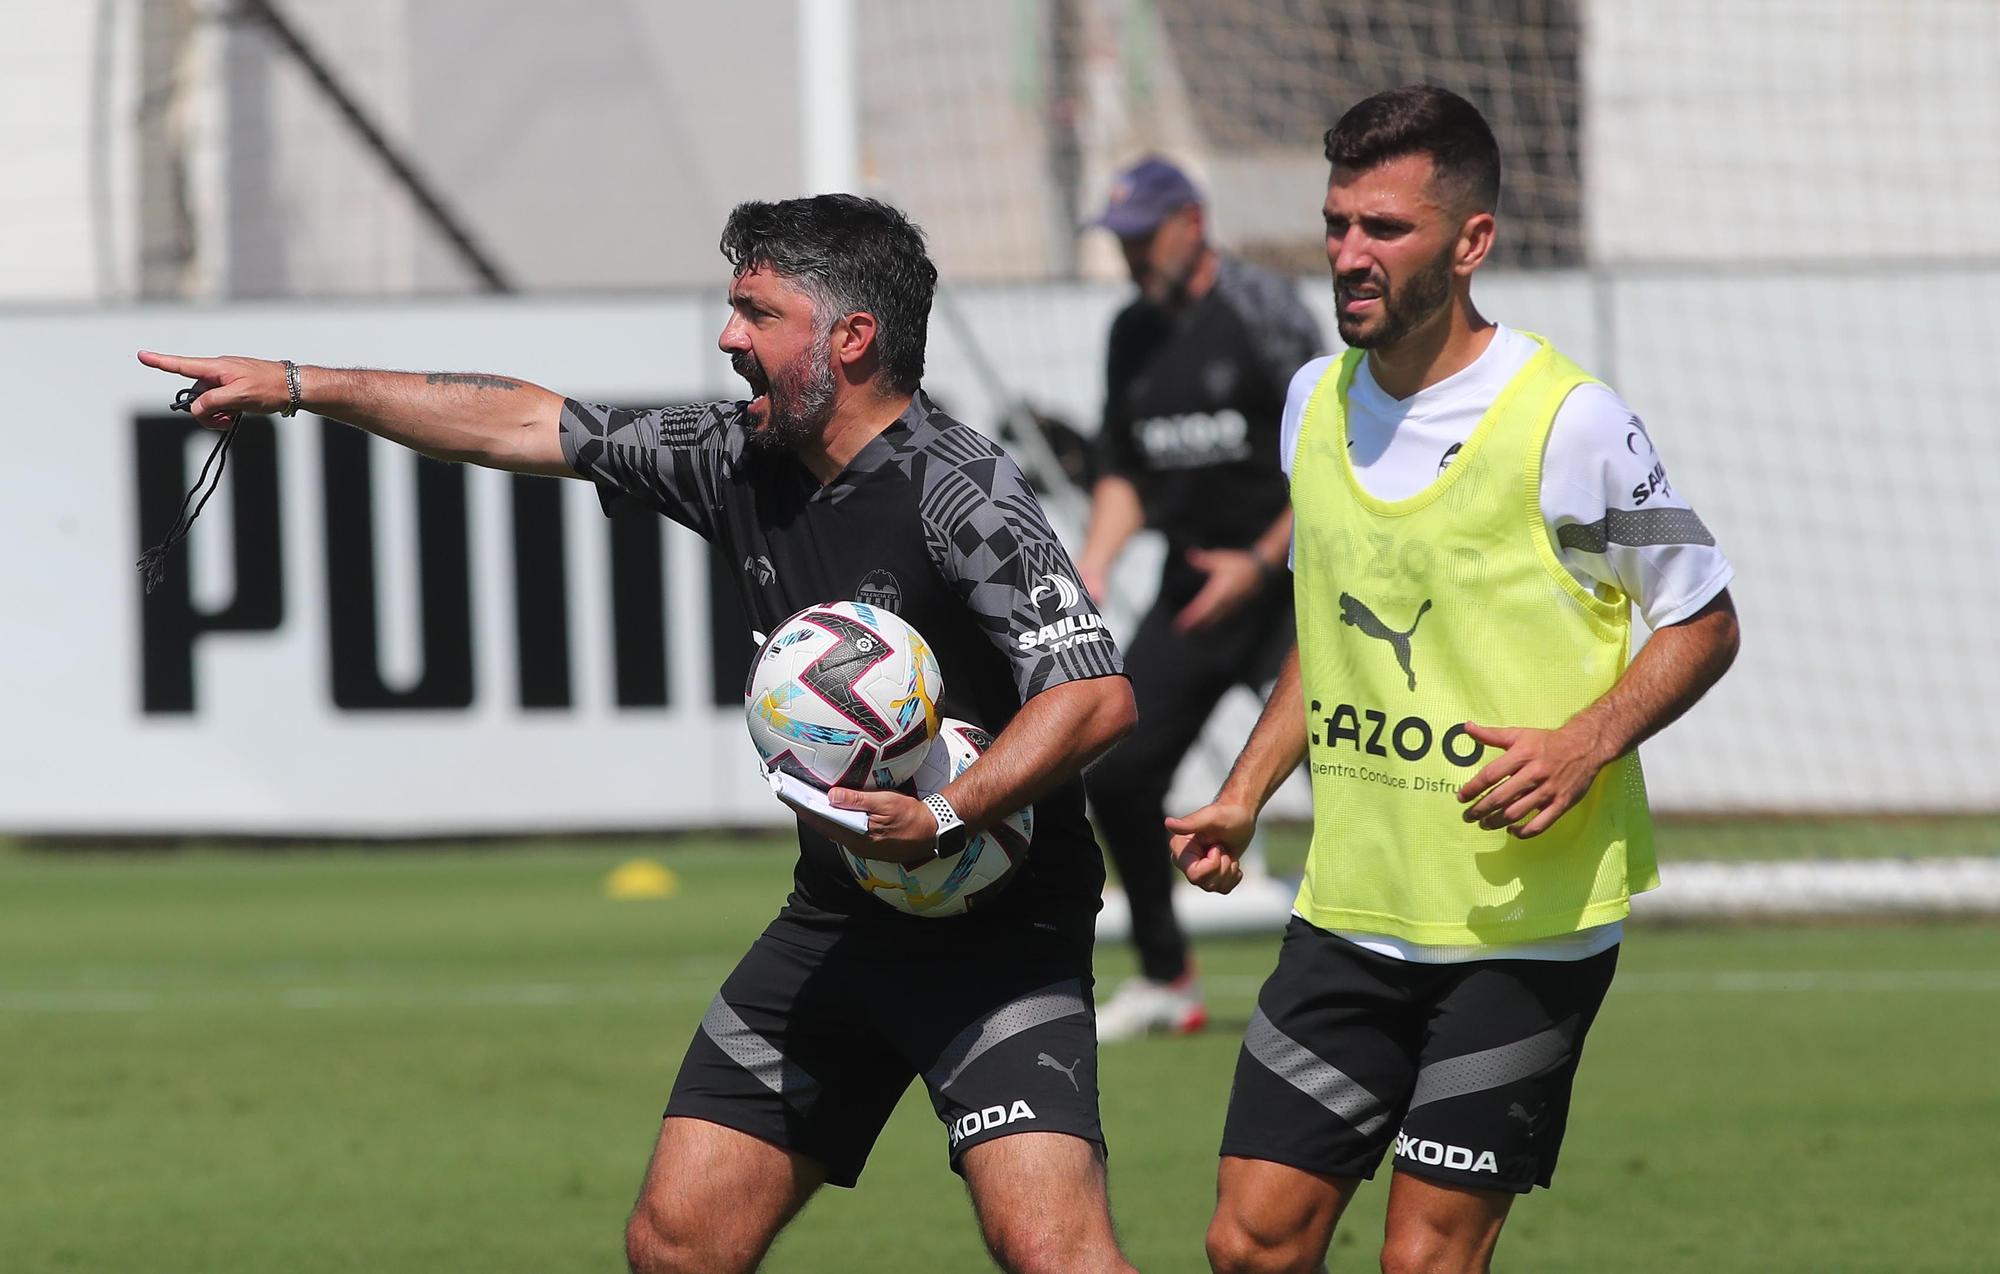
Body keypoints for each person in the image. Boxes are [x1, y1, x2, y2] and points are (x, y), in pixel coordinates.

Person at [139, 194, 1140, 1274]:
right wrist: (301, 386)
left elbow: (1095, 697)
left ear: (850, 338)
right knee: (677, 1242)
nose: (727, 339)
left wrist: (946, 808)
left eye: (756, 313)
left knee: (1053, 1254)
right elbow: (529, 420)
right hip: (839, 922)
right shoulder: (731, 457)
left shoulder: (961, 490)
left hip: (999, 936)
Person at [1165, 86, 1741, 1273]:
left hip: (1522, 927)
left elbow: (1700, 620)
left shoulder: (1568, 423)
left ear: (1469, 241)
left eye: (1384, 228)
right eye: (1336, 224)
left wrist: (1583, 740)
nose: (1348, 255)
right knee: (1249, 1241)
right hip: (1354, 909)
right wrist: (1244, 790)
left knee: (1424, 1259)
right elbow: (1326, 637)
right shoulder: (1310, 405)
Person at [1074, 156, 1322, 1042]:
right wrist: (1093, 565)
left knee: (1355, 771)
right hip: (1193, 591)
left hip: (1295, 584)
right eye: (1123, 241)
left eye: (1146, 235)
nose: (1136, 255)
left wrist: (1257, 564)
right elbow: (1123, 472)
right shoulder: (1129, 333)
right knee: (1116, 766)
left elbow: (1334, 458)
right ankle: (1167, 977)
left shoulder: (1264, 311)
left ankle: (1386, 967)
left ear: (1193, 221)